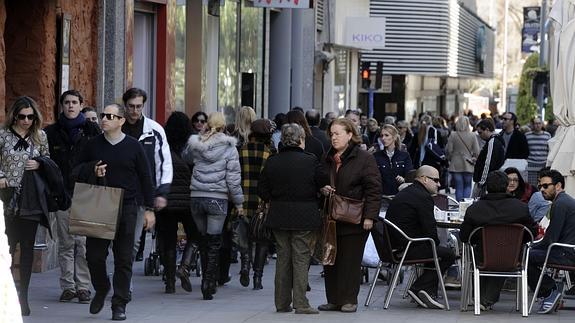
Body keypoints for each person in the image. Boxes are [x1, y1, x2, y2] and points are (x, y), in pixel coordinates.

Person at [74, 103, 156, 321]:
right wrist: (92, 169)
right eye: (103, 115)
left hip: (127, 206)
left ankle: (119, 304)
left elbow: (146, 178)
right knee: (94, 256)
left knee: (124, 257)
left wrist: (149, 209)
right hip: (99, 204)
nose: (105, 119)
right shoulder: (92, 145)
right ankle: (101, 287)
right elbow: (74, 170)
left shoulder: (133, 146)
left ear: (121, 121)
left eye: (110, 116)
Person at [318, 118, 381, 313]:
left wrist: (370, 217)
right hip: (331, 217)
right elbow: (318, 178)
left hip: (354, 217)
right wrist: (323, 188)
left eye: (337, 133)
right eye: (332, 133)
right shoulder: (328, 156)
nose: (333, 137)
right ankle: (334, 299)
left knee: (350, 261)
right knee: (330, 260)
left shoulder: (363, 158)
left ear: (350, 135)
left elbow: (374, 189)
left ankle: (349, 299)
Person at [258, 123, 323, 314]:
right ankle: (301, 303)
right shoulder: (310, 161)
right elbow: (321, 184)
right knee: (301, 258)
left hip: (278, 216)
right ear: (301, 139)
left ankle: (282, 303)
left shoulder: (272, 161)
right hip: (305, 217)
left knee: (283, 259)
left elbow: (263, 191)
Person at [45, 90, 101, 304]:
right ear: (62, 105)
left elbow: (99, 159)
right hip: (61, 194)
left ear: (81, 105)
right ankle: (68, 286)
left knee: (83, 243)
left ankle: (84, 287)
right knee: (66, 243)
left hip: (86, 192)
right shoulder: (51, 132)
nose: (70, 106)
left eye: (74, 102)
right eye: (66, 102)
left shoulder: (92, 130)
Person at [183, 112, 244, 300]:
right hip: (217, 198)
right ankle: (208, 283)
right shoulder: (230, 148)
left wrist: (199, 139)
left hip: (197, 196)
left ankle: (204, 279)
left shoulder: (197, 144)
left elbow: (186, 158)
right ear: (224, 126)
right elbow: (233, 180)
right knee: (214, 243)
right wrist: (239, 202)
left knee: (203, 240)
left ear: (208, 125)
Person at [0, 96, 50, 316]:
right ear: (14, 115)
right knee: (7, 247)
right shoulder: (2, 136)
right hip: (6, 195)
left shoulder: (40, 136)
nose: (26, 121)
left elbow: (49, 161)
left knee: (27, 247)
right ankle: (7, 294)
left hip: (30, 198)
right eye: (22, 116)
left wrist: (39, 163)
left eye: (30, 117)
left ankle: (24, 296)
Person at [459, 170, 536, 310]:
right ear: (506, 186)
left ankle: (481, 298)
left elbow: (464, 236)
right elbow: (532, 233)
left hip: (482, 256)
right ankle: (485, 299)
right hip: (511, 257)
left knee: (479, 253)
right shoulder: (520, 208)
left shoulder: (474, 209)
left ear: (487, 187)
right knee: (505, 251)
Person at [385, 166, 456, 309]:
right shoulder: (423, 197)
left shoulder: (409, 192)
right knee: (448, 254)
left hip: (393, 247)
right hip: (407, 248)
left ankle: (426, 292)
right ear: (424, 179)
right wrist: (435, 244)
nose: (439, 184)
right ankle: (418, 288)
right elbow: (430, 231)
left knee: (434, 249)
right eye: (436, 180)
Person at [121, 88, 172, 262]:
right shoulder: (116, 126)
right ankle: (120, 278)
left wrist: (162, 192)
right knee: (115, 242)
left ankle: (125, 284)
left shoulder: (154, 130)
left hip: (140, 195)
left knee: (134, 242)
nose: (135, 111)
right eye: (131, 106)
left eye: (138, 106)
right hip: (115, 192)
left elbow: (163, 163)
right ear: (125, 105)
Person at [155, 112, 198, 294]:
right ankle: (185, 265)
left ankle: (170, 282)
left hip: (167, 201)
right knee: (195, 235)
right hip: (188, 201)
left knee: (168, 240)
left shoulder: (163, 146)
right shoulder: (191, 149)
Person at [528, 169, 575, 314]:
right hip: (565, 250)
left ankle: (549, 291)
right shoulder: (564, 201)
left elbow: (551, 238)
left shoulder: (560, 204)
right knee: (527, 252)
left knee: (524, 256)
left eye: (546, 186)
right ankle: (550, 289)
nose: (541, 190)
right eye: (540, 186)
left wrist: (530, 245)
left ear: (558, 186)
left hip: (565, 253)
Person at [237, 119, 276, 290]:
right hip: (262, 203)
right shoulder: (269, 153)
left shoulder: (241, 150)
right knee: (262, 239)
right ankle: (257, 277)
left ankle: (245, 265)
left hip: (243, 199)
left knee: (244, 236)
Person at [446, 116, 480, 201]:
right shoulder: (473, 135)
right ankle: (465, 205)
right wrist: (474, 157)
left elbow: (449, 150)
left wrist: (451, 158)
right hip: (468, 163)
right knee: (468, 185)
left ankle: (459, 205)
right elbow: (477, 151)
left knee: (459, 186)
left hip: (455, 163)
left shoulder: (453, 135)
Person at [373, 125, 413, 196]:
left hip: (400, 196)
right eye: (382, 135)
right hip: (382, 197)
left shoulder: (405, 155)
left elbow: (410, 175)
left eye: (386, 135)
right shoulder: (376, 156)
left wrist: (404, 179)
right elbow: (373, 177)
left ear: (394, 137)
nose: (383, 138)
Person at [473, 119, 505, 197]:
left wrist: (482, 182)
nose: (479, 135)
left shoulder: (492, 141)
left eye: (480, 132)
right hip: (490, 180)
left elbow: (488, 163)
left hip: (486, 181)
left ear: (487, 130)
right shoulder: (496, 140)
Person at [525, 117, 551, 186]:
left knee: (544, 185)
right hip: (531, 164)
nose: (538, 125)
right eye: (536, 123)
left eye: (539, 123)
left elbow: (549, 150)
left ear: (542, 124)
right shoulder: (527, 135)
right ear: (533, 125)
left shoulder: (547, 135)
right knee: (531, 186)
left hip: (543, 164)